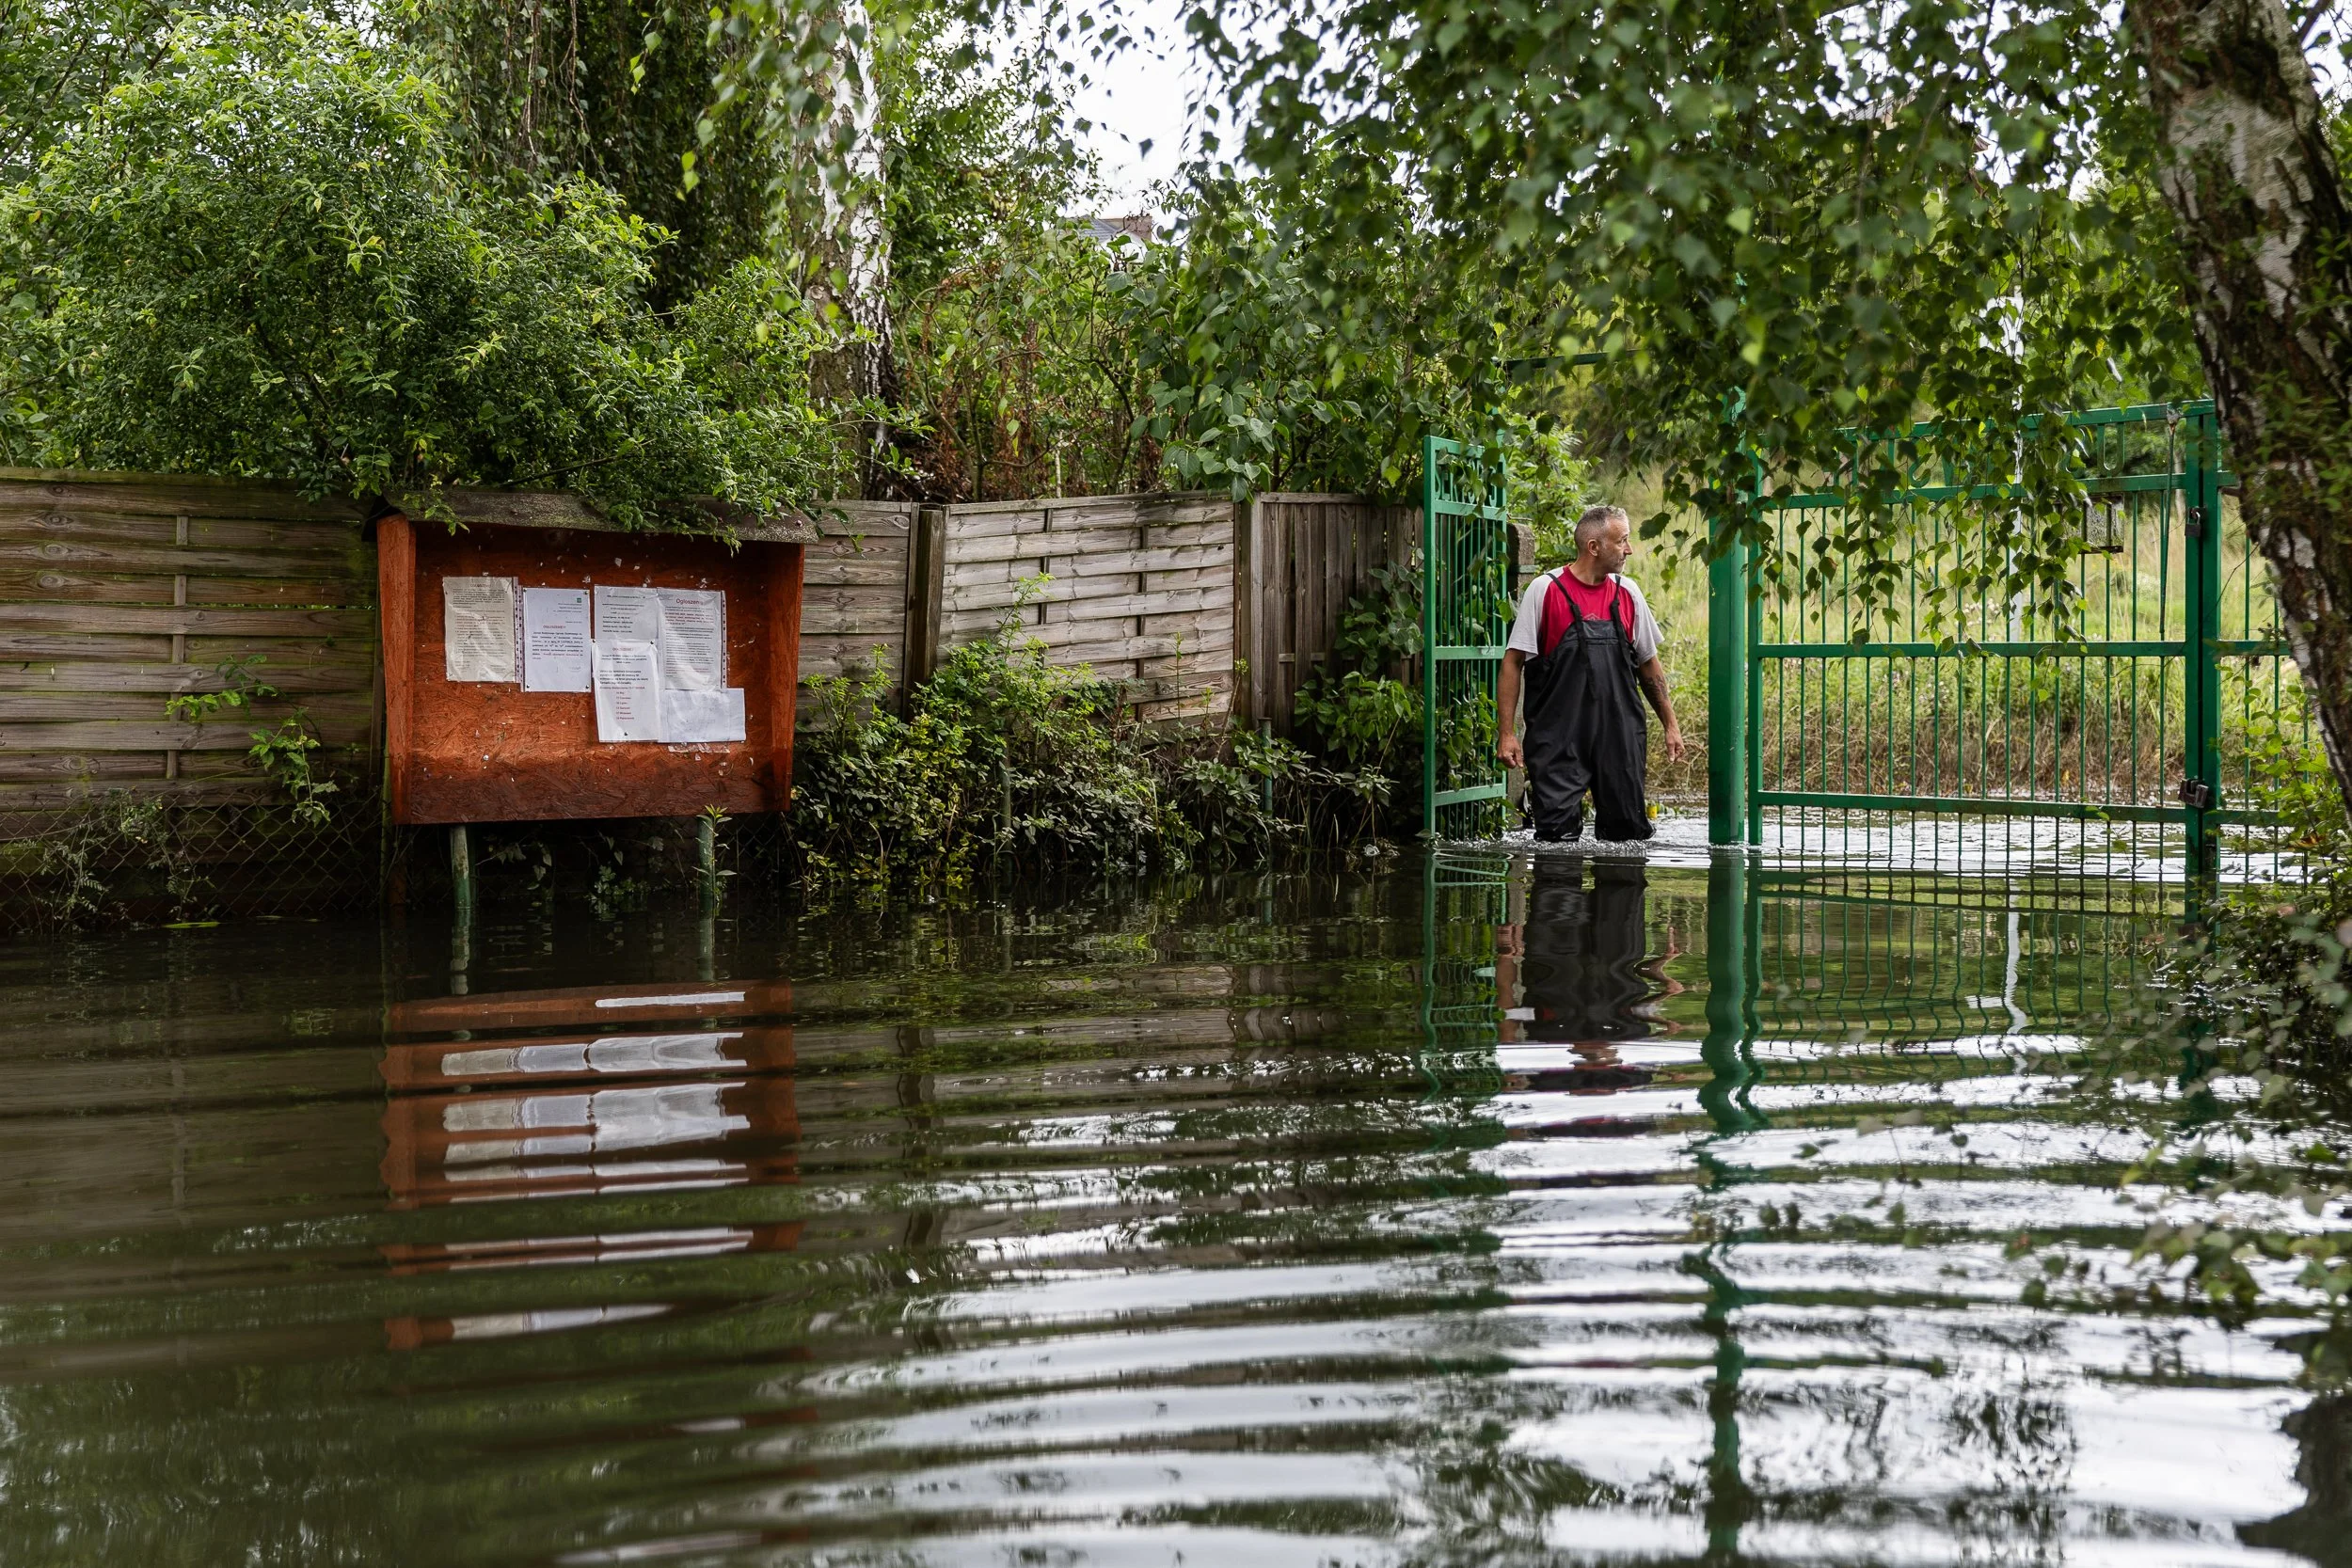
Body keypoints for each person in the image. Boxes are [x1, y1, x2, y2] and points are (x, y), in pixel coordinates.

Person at [1496, 503, 1685, 842]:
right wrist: (1507, 733)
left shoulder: (1628, 593)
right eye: (1621, 540)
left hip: (1620, 738)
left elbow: (1648, 664)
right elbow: (1513, 662)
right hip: (1557, 740)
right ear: (1594, 547)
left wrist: (1670, 724)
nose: (1629, 549)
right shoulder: (1545, 590)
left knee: (1626, 839)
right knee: (1556, 839)